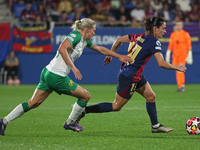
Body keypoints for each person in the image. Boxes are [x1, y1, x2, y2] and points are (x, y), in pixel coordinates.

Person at [0, 18, 132, 136]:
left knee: (33, 103)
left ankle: (4, 121)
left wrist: (118, 56)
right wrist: (73, 67)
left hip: (48, 72)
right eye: (93, 31)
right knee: (85, 96)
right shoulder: (75, 35)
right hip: (56, 75)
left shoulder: (85, 41)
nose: (94, 33)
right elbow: (62, 49)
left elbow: (101, 49)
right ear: (86, 30)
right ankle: (70, 122)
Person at [76, 17, 187, 133]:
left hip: (132, 74)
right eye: (163, 28)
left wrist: (110, 55)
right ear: (155, 28)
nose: (165, 31)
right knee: (116, 106)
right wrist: (177, 67)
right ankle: (83, 111)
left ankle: (155, 126)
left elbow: (118, 40)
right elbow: (161, 63)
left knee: (151, 97)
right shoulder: (154, 41)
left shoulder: (139, 36)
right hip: (130, 77)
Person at [165, 20, 192, 92]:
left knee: (180, 69)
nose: (178, 26)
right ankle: (180, 85)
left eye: (180, 25)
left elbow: (189, 45)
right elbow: (171, 45)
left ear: (182, 26)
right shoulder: (173, 34)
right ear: (176, 26)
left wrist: (189, 55)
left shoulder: (185, 34)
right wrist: (168, 53)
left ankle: (181, 85)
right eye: (177, 25)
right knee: (177, 70)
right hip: (175, 55)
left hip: (183, 55)